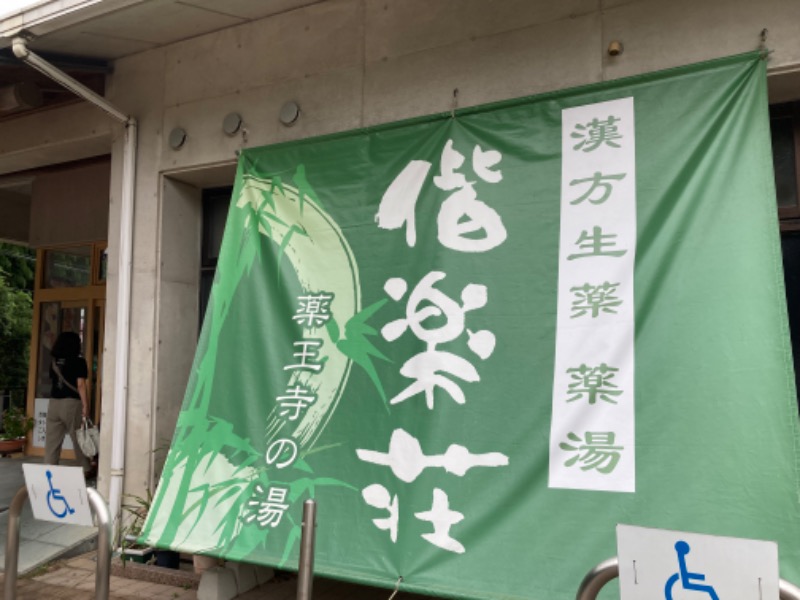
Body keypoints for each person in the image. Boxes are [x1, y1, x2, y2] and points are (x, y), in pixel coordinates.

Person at [45, 331, 91, 476]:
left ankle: (49, 470)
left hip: (53, 404)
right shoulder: (78, 361)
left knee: (52, 442)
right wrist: (86, 405)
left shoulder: (54, 361)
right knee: (78, 437)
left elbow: (53, 380)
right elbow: (81, 385)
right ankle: (86, 468)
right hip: (71, 403)